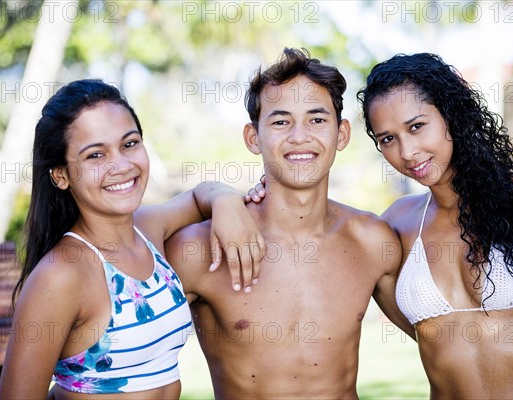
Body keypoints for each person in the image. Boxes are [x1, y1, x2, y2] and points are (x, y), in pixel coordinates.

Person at [0, 79, 264, 399]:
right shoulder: (61, 275)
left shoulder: (147, 228)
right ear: (61, 175)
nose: (121, 165)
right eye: (95, 155)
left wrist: (226, 200)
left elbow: (197, 196)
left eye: (129, 144)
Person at [165, 48, 407, 399]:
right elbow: (128, 358)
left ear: (341, 135)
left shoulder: (371, 241)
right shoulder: (201, 249)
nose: (299, 137)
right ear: (253, 138)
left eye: (317, 119)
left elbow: (441, 338)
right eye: (280, 121)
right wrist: (215, 194)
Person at [356, 52, 513, 399]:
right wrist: (244, 198)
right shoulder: (396, 224)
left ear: (452, 114)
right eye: (388, 138)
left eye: (416, 126)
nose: (408, 151)